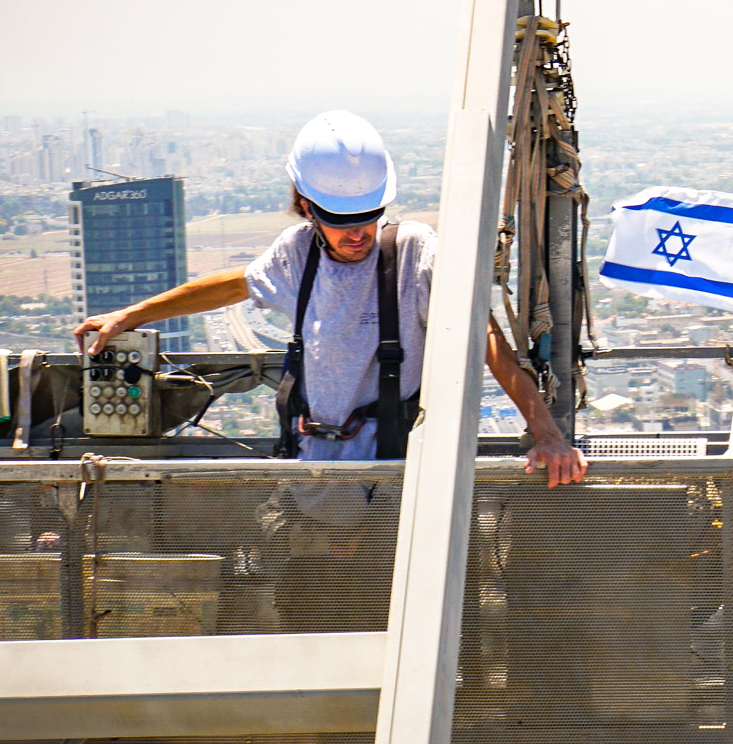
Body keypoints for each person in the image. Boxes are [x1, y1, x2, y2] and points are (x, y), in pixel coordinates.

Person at [76, 109, 586, 486]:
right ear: (305, 207)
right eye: (340, 221)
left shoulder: (413, 252)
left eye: (369, 215)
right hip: (312, 470)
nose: (358, 233)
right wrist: (131, 315)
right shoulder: (300, 252)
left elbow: (485, 338)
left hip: (392, 478)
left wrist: (546, 432)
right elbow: (234, 284)